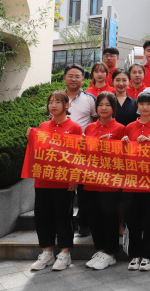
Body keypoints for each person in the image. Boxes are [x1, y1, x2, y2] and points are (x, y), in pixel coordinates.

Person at [25, 90, 80, 271]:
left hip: (63, 182)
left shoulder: (74, 127)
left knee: (63, 217)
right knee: (42, 217)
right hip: (43, 180)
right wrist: (31, 138)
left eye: (58, 101)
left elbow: (77, 156)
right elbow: (38, 152)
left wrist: (74, 178)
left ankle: (65, 253)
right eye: (50, 102)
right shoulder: (43, 126)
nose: (53, 105)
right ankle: (47, 252)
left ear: (66, 105)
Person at [121, 91, 150, 272]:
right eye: (142, 104)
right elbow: (123, 154)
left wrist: (149, 143)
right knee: (132, 220)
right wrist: (124, 143)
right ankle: (134, 254)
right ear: (137, 106)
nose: (145, 107)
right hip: (131, 180)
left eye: (149, 104)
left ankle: (148, 255)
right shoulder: (130, 127)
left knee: (149, 221)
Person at [84, 92, 125, 270]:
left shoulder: (120, 128)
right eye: (100, 105)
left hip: (110, 181)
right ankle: (100, 249)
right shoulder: (89, 128)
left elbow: (125, 154)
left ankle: (110, 252)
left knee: (109, 217)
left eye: (108, 105)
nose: (103, 108)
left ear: (113, 108)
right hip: (91, 179)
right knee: (94, 217)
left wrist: (109, 146)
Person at [63, 64, 95, 238]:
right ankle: (66, 224)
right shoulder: (58, 97)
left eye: (77, 76)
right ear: (64, 78)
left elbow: (96, 121)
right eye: (70, 76)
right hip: (61, 151)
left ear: (83, 79)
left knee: (83, 191)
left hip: (83, 152)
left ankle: (84, 223)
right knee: (64, 190)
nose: (74, 79)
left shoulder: (90, 99)